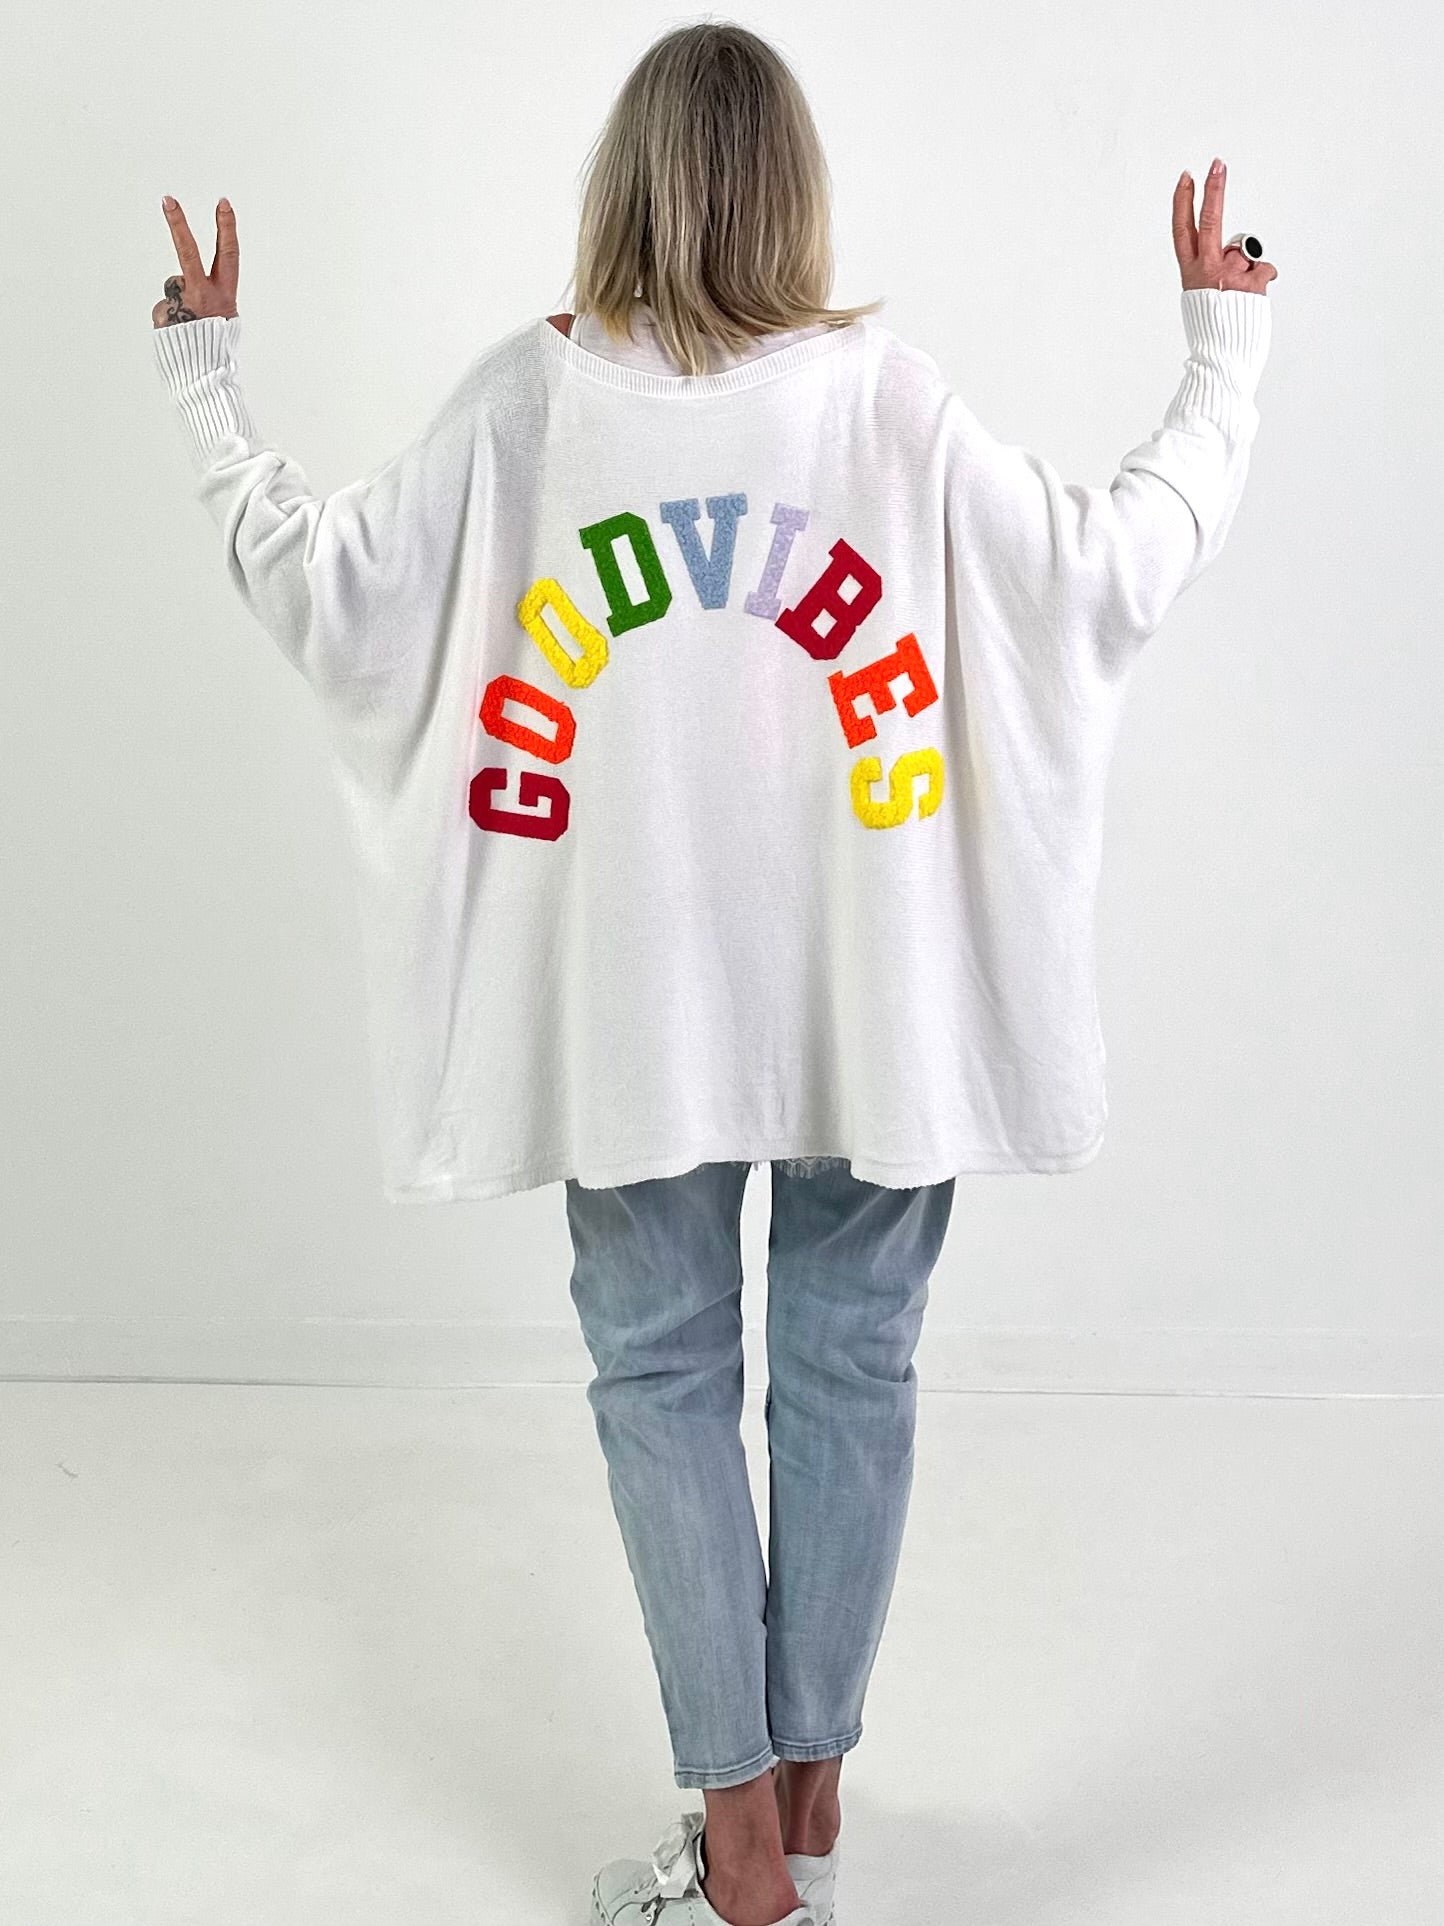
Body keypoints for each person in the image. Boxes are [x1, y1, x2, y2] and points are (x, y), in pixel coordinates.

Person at [150, 22, 1276, 1926]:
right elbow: (1101, 574)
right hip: (873, 1013)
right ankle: (802, 1810)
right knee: (854, 1367)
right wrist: (1221, 352)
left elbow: (333, 596)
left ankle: (746, 1846)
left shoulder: (537, 404)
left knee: (665, 1372)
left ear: (623, 186)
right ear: (795, 192)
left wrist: (205, 379)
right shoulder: (884, 406)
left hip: (629, 1019)